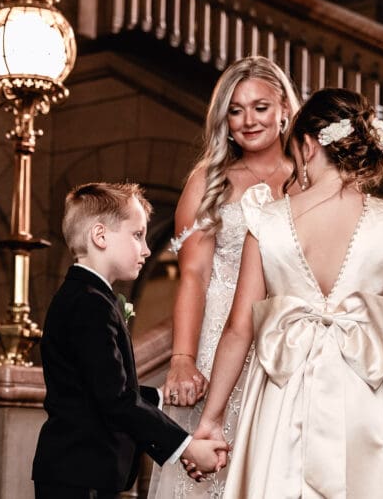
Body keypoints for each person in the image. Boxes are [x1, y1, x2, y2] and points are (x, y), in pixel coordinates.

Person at [193, 88, 383, 498]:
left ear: (307, 146)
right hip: (368, 395)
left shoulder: (265, 223)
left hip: (285, 390)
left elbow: (238, 329)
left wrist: (210, 422)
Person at [149, 56, 301, 498]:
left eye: (260, 107)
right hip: (219, 338)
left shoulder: (309, 177)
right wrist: (182, 358)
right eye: (236, 111)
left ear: (284, 109)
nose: (248, 120)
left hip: (289, 339)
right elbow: (193, 275)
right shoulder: (209, 180)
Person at [32, 182, 229, 499]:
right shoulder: (89, 304)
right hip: (81, 474)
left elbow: (100, 389)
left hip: (79, 471)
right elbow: (116, 400)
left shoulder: (88, 296)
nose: (147, 249)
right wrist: (187, 447)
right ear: (100, 236)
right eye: (137, 235)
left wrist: (161, 397)